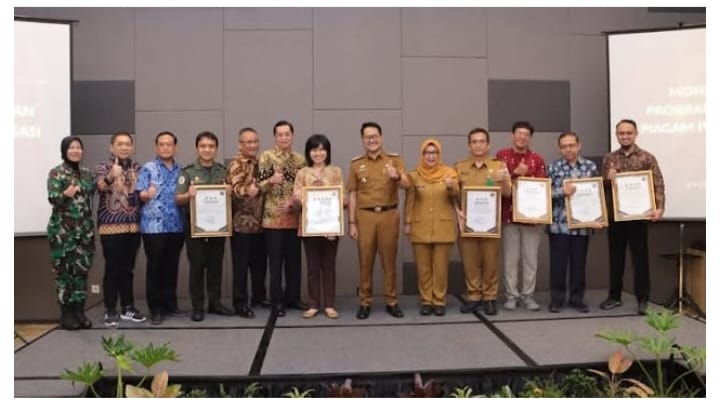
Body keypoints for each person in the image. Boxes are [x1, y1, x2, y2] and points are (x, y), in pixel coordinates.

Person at [600, 119, 665, 315]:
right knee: (615, 258)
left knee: (640, 259)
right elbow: (602, 187)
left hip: (639, 216)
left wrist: (660, 207)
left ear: (636, 134)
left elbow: (658, 184)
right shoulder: (609, 158)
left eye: (629, 133)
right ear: (617, 135)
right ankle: (614, 296)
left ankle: (643, 299)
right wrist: (608, 179)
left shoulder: (647, 157)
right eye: (621, 133)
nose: (625, 136)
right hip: (616, 216)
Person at [348, 122, 409, 319]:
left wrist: (396, 176)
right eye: (368, 137)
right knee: (365, 261)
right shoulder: (356, 164)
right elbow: (352, 193)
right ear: (363, 140)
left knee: (389, 261)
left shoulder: (394, 160)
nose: (372, 140)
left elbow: (407, 184)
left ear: (381, 138)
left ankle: (391, 301)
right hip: (365, 216)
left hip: (388, 215)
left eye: (375, 136)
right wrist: (351, 222)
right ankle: (365, 302)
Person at [175, 131, 234, 322]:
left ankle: (215, 304)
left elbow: (229, 199)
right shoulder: (188, 172)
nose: (207, 150)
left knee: (216, 266)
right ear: (197, 148)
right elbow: (178, 199)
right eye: (203, 146)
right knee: (197, 267)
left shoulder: (222, 171)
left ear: (216, 149)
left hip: (218, 227)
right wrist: (189, 195)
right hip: (195, 228)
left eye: (211, 146)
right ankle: (198, 307)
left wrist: (229, 191)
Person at [455, 128, 511, 316]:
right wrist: (457, 212)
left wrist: (503, 181)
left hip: (491, 225)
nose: (478, 145)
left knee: (490, 262)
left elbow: (508, 193)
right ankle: (474, 296)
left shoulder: (499, 166)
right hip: (468, 224)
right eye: (474, 142)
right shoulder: (459, 167)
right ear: (469, 145)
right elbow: (453, 195)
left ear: (488, 145)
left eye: (482, 141)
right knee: (470, 261)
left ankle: (489, 297)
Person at [547, 131, 603, 313]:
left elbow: (596, 195)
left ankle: (577, 299)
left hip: (582, 225)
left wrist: (598, 217)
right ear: (559, 148)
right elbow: (544, 194)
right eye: (564, 146)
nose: (568, 149)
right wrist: (561, 191)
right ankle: (557, 300)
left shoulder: (590, 167)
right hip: (559, 225)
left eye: (571, 145)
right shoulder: (553, 167)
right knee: (558, 265)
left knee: (579, 265)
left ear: (579, 146)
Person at [95, 132, 146, 327]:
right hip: (110, 226)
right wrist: (110, 176)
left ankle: (128, 307)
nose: (124, 147)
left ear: (132, 147)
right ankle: (110, 309)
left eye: (127, 144)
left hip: (133, 226)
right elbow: (100, 186)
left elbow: (141, 193)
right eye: (120, 144)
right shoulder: (103, 166)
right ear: (112, 147)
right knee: (112, 268)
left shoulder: (137, 168)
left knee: (128, 269)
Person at [257, 120, 307, 317]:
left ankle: (293, 298)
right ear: (275, 137)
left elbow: (304, 188)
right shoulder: (267, 156)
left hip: (294, 217)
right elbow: (259, 186)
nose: (284, 138)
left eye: (287, 134)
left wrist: (293, 202)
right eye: (280, 134)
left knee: (294, 262)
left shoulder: (300, 159)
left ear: (292, 136)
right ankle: (277, 301)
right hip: (273, 219)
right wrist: (271, 180)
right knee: (275, 263)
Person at [404, 139, 459, 316]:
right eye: (427, 153)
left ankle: (439, 300)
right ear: (422, 155)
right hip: (420, 226)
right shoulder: (414, 175)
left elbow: (457, 195)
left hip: (443, 227)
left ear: (439, 154)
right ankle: (426, 300)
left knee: (440, 268)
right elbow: (410, 200)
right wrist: (407, 222)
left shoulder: (450, 173)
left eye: (434, 153)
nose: (431, 156)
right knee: (423, 268)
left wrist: (451, 187)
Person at [496, 121, 547, 312]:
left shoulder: (537, 159)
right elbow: (496, 182)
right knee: (510, 260)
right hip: (509, 216)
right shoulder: (501, 156)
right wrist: (515, 173)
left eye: (526, 134)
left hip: (532, 218)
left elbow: (542, 187)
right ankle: (511, 295)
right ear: (512, 136)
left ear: (530, 138)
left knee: (530, 260)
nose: (522, 137)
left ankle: (528, 296)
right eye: (519, 133)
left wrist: (528, 178)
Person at [292, 134, 344, 319]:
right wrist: (300, 198)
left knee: (329, 267)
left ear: (327, 152)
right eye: (314, 150)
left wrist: (333, 224)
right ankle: (313, 304)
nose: (318, 153)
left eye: (322, 149)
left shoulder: (335, 171)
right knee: (313, 268)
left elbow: (343, 198)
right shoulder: (303, 173)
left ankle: (329, 304)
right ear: (309, 152)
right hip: (310, 226)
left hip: (330, 227)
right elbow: (297, 198)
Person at [136, 131, 185, 325]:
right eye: (162, 144)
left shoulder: (181, 169)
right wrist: (146, 194)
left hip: (176, 225)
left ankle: (170, 304)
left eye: (169, 144)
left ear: (175, 147)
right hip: (154, 226)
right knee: (155, 267)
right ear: (156, 147)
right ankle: (155, 308)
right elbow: (140, 194)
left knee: (171, 266)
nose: (165, 147)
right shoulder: (148, 168)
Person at [47, 136, 96, 330]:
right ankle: (66, 314)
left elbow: (94, 191)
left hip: (84, 231)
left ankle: (79, 312)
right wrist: (64, 195)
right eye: (71, 148)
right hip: (63, 233)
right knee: (64, 274)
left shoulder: (86, 173)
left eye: (78, 148)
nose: (76, 151)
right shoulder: (56, 172)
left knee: (81, 273)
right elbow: (52, 199)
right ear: (64, 151)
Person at [226, 127, 268, 319]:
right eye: (248, 142)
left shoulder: (261, 163)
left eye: (255, 141)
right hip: (241, 225)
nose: (253, 145)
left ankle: (259, 297)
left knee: (259, 265)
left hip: (260, 224)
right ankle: (240, 303)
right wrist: (251, 188)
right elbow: (236, 188)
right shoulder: (236, 164)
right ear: (240, 145)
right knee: (241, 267)